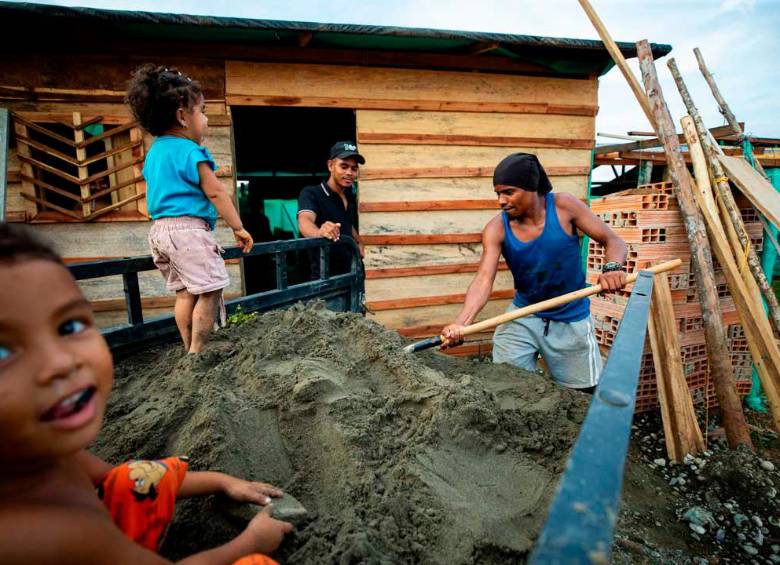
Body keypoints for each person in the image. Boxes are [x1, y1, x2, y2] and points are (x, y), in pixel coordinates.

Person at [0, 223, 292, 564]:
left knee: (126, 478)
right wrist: (250, 542)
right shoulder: (45, 535)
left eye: (70, 327)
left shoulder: (50, 456)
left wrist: (222, 481)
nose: (60, 363)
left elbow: (113, 479)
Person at [441, 153, 628, 391]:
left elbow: (613, 241)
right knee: (509, 384)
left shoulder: (564, 207)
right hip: (524, 314)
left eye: (508, 192)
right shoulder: (496, 228)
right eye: (498, 193)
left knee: (582, 394)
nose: (501, 200)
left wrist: (613, 268)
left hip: (570, 318)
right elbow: (483, 279)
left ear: (532, 188)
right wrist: (461, 324)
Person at [126, 64, 254, 354]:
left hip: (160, 232)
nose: (206, 120)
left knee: (185, 293)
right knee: (209, 290)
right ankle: (198, 350)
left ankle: (188, 348)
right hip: (187, 231)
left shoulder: (155, 153)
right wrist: (238, 227)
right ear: (183, 117)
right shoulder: (191, 152)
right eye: (203, 111)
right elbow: (216, 192)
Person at [297, 141, 364, 278]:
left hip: (352, 276)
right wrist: (319, 232)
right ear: (330, 165)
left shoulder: (349, 195)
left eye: (354, 168)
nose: (349, 173)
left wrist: (358, 242)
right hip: (326, 281)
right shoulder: (312, 193)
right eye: (344, 166)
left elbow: (347, 222)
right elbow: (305, 222)